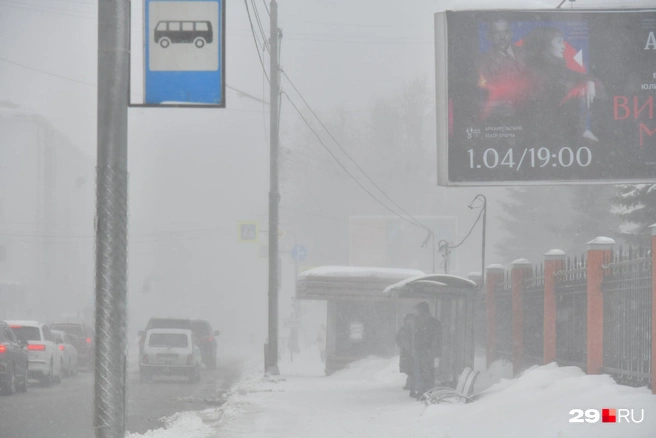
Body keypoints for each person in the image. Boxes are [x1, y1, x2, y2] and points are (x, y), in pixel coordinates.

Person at [522, 27, 605, 146]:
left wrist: (590, 82)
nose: (564, 46)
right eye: (558, 41)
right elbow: (545, 109)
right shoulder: (534, 73)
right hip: (547, 138)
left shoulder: (559, 69)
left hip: (564, 134)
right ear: (545, 44)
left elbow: (581, 78)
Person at [477, 18, 527, 122]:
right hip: (505, 116)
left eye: (506, 32)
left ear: (511, 33)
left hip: (531, 110)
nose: (502, 37)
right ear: (489, 36)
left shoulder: (525, 52)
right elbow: (487, 92)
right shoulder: (483, 61)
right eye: (497, 33)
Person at [412, 302, 441, 399]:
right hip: (421, 350)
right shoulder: (421, 321)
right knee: (420, 371)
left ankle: (426, 392)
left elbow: (435, 338)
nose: (416, 313)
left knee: (425, 371)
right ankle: (423, 391)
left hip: (426, 351)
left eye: (417, 310)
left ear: (422, 311)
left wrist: (429, 348)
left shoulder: (431, 323)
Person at [395, 313, 415, 393]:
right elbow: (397, 339)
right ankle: (410, 383)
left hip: (414, 352)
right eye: (407, 319)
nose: (408, 321)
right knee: (408, 368)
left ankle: (412, 383)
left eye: (410, 319)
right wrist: (403, 346)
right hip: (406, 352)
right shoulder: (403, 329)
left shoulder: (416, 329)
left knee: (413, 368)